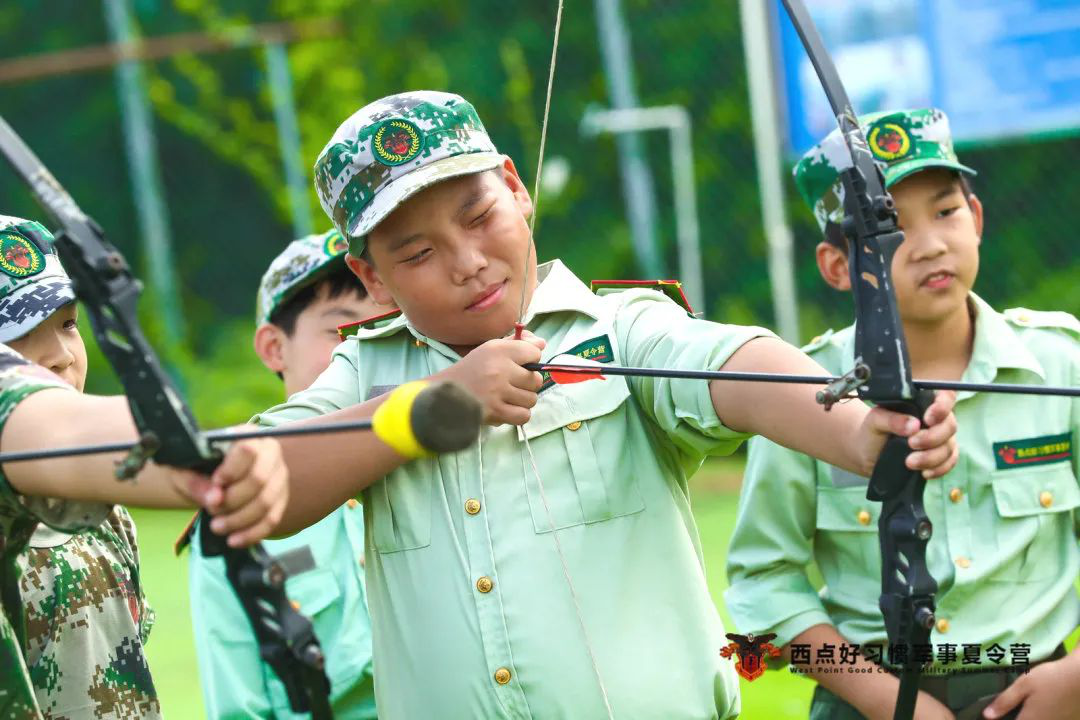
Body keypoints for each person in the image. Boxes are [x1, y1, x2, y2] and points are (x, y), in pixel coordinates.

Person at [238, 91, 959, 719]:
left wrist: (863, 432)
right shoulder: (366, 374)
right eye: (417, 253)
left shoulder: (621, 329)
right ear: (373, 277)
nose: (467, 260)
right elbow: (255, 477)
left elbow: (730, 366)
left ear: (516, 189)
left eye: (478, 213)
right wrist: (432, 406)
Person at [725, 108, 1080, 720]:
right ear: (838, 266)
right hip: (871, 700)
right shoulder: (806, 393)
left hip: (1042, 694)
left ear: (976, 217)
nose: (931, 244)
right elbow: (762, 581)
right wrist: (890, 702)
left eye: (946, 211)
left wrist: (1073, 679)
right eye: (887, 227)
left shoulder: (1061, 366)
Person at [0, 215, 289, 720]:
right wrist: (178, 454)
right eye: (11, 343)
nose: (60, 355)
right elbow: (57, 429)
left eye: (68, 323)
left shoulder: (105, 514)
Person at [188, 229, 384, 718]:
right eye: (344, 332)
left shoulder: (433, 463)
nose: (365, 350)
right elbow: (239, 703)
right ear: (274, 348)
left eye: (387, 327)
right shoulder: (237, 506)